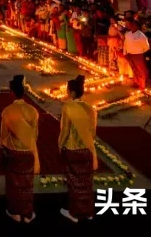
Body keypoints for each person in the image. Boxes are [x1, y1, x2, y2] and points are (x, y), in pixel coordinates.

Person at [0, 75, 39, 223]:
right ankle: (27, 213)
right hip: (28, 152)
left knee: (13, 183)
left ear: (11, 92)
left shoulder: (8, 111)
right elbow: (35, 134)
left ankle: (14, 212)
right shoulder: (33, 111)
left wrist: (2, 147)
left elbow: (3, 135)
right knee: (27, 183)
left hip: (13, 152)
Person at [58, 75, 96, 223]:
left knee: (74, 182)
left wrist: (60, 145)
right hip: (87, 149)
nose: (67, 93)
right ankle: (88, 211)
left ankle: (74, 214)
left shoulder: (68, 107)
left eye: (68, 91)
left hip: (72, 149)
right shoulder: (90, 109)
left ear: (72, 93)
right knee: (87, 182)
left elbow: (65, 131)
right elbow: (92, 132)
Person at [122, 19, 150, 89]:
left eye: (134, 25)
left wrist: (139, 51)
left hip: (138, 55)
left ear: (137, 26)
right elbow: (125, 44)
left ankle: (142, 84)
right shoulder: (127, 34)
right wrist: (125, 53)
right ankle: (136, 82)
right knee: (134, 69)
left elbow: (146, 47)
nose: (132, 26)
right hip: (129, 54)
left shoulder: (141, 36)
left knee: (141, 70)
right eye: (132, 24)